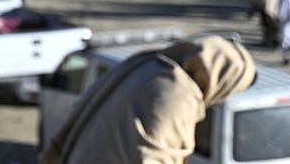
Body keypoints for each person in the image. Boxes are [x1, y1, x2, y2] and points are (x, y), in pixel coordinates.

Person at [40, 36, 256, 164]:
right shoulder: (177, 94)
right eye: (227, 91)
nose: (219, 101)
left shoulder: (146, 64)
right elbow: (154, 157)